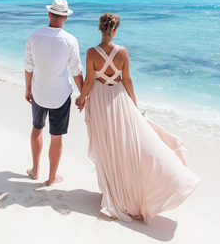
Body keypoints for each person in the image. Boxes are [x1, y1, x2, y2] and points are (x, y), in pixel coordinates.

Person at [76, 13, 199, 221]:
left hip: (99, 102)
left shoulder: (91, 52)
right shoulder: (122, 52)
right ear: (115, 30)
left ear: (99, 28)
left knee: (106, 146)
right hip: (119, 100)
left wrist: (81, 99)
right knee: (125, 146)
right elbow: (128, 81)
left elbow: (88, 82)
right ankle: (126, 193)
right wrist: (133, 105)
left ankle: (112, 192)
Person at [24, 0, 84, 186]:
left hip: (39, 92)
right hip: (60, 95)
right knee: (56, 137)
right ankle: (51, 178)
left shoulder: (34, 36)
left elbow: (28, 66)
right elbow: (76, 71)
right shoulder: (70, 40)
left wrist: (28, 88)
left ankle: (35, 170)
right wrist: (83, 95)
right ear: (65, 18)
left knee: (36, 130)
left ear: (49, 14)